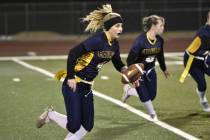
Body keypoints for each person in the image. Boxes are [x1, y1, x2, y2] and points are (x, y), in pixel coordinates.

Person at [36, 4, 127, 140]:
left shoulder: (114, 44)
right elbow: (73, 53)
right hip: (74, 85)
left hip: (87, 87)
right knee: (73, 126)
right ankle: (51, 115)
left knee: (87, 126)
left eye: (121, 26)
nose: (120, 29)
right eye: (117, 26)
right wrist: (71, 77)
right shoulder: (97, 40)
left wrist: (125, 70)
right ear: (109, 27)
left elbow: (117, 61)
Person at [122, 15, 170, 121]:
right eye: (161, 25)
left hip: (151, 70)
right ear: (153, 26)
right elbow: (129, 60)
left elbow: (160, 56)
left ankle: (129, 91)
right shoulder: (140, 42)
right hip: (139, 72)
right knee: (144, 96)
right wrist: (134, 76)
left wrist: (164, 69)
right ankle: (152, 114)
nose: (163, 28)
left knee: (151, 96)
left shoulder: (160, 41)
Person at [179, 11, 210, 112]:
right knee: (202, 84)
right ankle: (202, 99)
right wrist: (205, 54)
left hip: (205, 59)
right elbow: (191, 51)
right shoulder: (203, 34)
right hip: (192, 61)